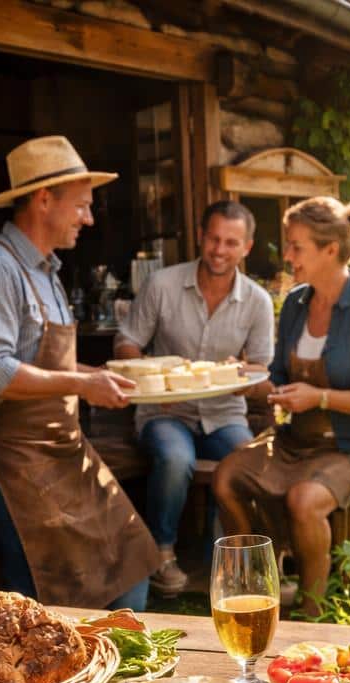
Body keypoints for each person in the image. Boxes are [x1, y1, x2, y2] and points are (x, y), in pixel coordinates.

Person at [0, 135, 160, 611]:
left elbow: (45, 364)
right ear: (44, 199)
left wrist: (101, 374)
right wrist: (84, 384)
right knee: (45, 607)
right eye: (81, 206)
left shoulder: (46, 271)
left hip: (59, 449)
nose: (88, 218)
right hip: (9, 461)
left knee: (130, 564)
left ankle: (115, 680)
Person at [213, 196, 350, 617]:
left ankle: (311, 610)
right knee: (228, 476)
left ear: (330, 250)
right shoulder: (297, 305)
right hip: (297, 442)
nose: (286, 255)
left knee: (304, 499)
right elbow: (283, 379)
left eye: (296, 246)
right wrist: (248, 380)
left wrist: (320, 397)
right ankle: (256, 588)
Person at [113, 201, 274, 596]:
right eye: (214, 238)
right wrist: (153, 378)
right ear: (201, 237)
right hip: (167, 411)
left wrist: (239, 377)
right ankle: (161, 553)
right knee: (175, 457)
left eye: (231, 243)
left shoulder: (258, 301)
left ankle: (229, 559)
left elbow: (260, 370)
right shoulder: (163, 284)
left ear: (246, 248)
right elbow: (126, 343)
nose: (220, 249)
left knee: (248, 459)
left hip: (225, 412)